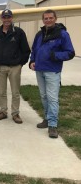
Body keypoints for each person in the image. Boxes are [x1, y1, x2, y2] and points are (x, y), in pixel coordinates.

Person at [29, 9, 75, 138]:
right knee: (43, 96)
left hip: (52, 71)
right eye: (46, 18)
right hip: (39, 70)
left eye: (50, 18)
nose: (48, 20)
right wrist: (32, 60)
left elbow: (70, 52)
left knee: (52, 98)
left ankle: (53, 125)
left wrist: (54, 55)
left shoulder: (62, 34)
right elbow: (34, 50)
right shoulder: (39, 34)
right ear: (43, 20)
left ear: (55, 18)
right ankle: (47, 119)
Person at [0, 9, 31, 124]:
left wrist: (20, 64)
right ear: (1, 18)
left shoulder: (19, 32)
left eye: (8, 17)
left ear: (11, 18)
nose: (6, 19)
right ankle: (3, 111)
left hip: (14, 67)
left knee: (15, 92)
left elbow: (26, 50)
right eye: (4, 17)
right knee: (2, 92)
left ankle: (15, 113)